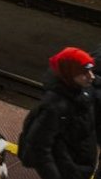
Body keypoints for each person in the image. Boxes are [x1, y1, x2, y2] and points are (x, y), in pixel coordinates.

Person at [19, 47, 95, 179]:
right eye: (84, 72)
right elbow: (39, 147)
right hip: (68, 169)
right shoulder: (54, 107)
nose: (91, 76)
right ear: (69, 74)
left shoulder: (81, 91)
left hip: (79, 166)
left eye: (90, 70)